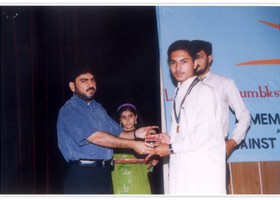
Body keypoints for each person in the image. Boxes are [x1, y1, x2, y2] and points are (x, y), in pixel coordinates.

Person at [57, 63, 156, 194]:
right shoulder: (69, 110)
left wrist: (137, 132)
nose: (90, 84)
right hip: (84, 177)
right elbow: (97, 137)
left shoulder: (98, 108)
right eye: (84, 81)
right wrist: (133, 144)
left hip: (105, 175)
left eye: (92, 80)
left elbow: (118, 133)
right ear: (72, 86)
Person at [152, 40, 226, 195]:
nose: (178, 68)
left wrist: (170, 148)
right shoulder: (179, 92)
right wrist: (170, 139)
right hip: (184, 167)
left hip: (203, 170)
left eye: (184, 62)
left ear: (194, 63)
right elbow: (187, 133)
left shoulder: (205, 92)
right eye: (173, 63)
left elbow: (203, 135)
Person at [191, 40, 251, 193]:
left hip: (215, 149)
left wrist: (231, 143)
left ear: (210, 58)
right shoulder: (186, 88)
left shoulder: (225, 84)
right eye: (193, 57)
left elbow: (244, 116)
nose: (196, 62)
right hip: (189, 151)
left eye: (199, 56)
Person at [111, 103, 151, 194]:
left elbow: (148, 164)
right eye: (124, 117)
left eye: (130, 116)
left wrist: (152, 163)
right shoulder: (113, 138)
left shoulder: (145, 136)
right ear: (120, 120)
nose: (127, 120)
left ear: (136, 117)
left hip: (139, 181)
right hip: (120, 182)